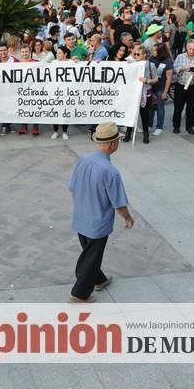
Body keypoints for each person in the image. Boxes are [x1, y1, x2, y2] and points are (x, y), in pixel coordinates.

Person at [68, 122, 134, 303]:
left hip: (80, 216)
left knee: (91, 254)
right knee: (91, 258)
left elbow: (72, 187)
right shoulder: (110, 171)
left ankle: (100, 279)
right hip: (98, 223)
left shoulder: (83, 160)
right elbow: (118, 204)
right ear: (113, 144)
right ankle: (79, 294)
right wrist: (128, 218)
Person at [172, 41, 194, 134]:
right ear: (187, 48)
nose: (191, 51)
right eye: (190, 49)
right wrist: (183, 68)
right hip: (181, 85)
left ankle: (190, 126)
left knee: (191, 108)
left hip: (193, 86)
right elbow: (175, 68)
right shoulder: (180, 57)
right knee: (178, 107)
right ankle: (176, 126)